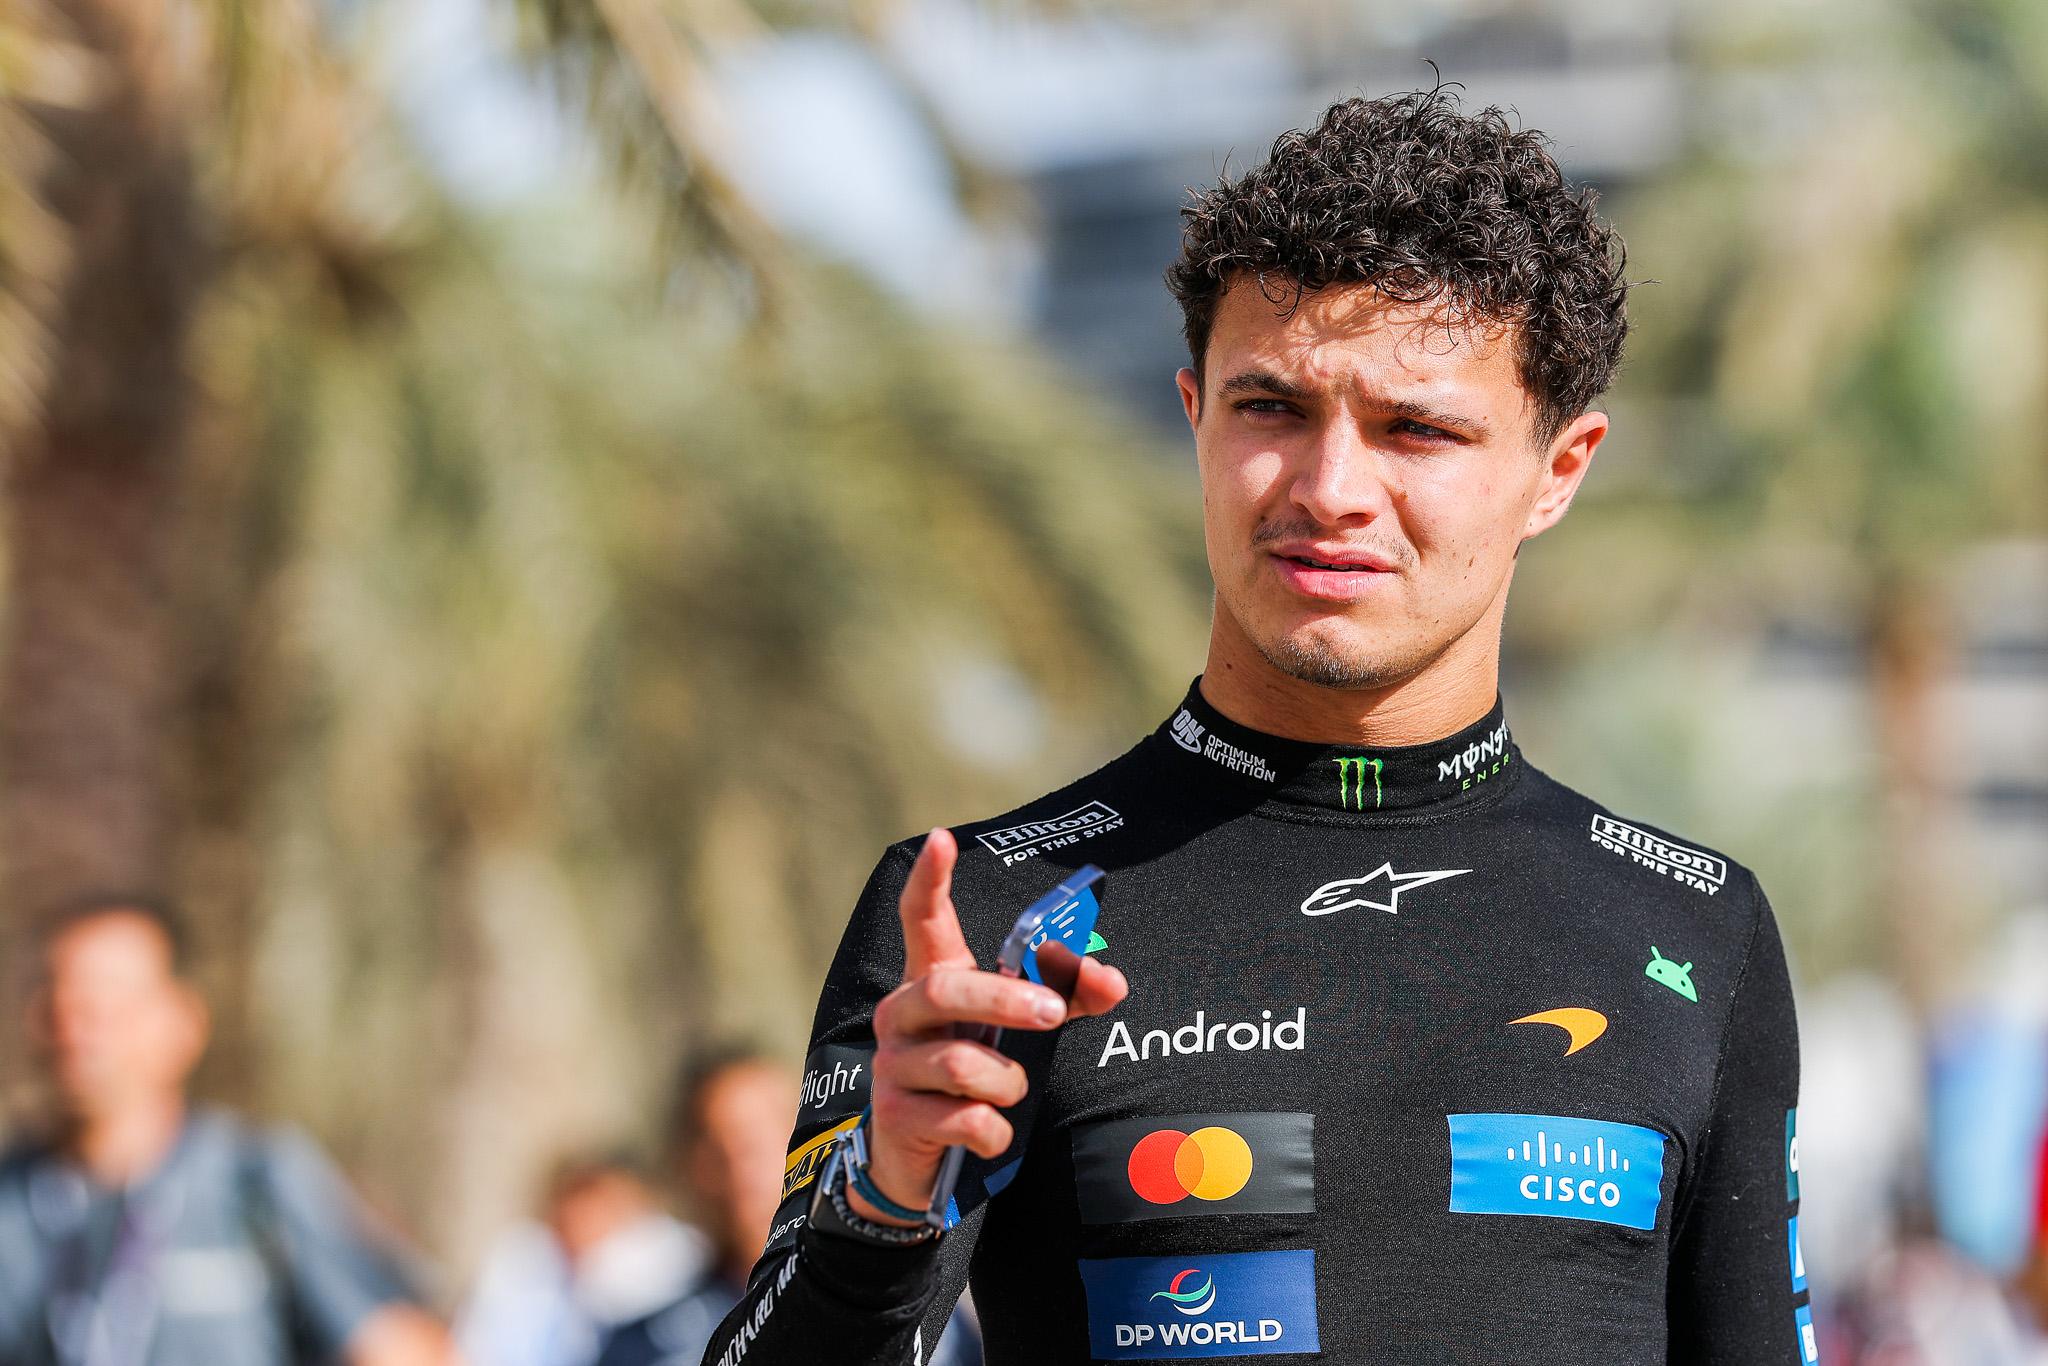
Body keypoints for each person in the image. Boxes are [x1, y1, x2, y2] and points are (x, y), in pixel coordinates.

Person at [701, 87, 1809, 1364]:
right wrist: (881, 1203)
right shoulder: (987, 916)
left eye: (1416, 428)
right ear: (1193, 415)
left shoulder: (1695, 926)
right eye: (1270, 407)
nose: (1329, 489)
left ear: (1557, 471)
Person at [0, 897, 458, 1366]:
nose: (77, 1029)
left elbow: (405, 1348)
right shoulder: (11, 1203)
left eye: (109, 1003)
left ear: (183, 1023)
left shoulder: (256, 1181)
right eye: (59, 1000)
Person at [595, 1051, 977, 1366]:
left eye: (758, 1138)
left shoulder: (919, 1300)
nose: (740, 1164)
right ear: (688, 1167)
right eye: (716, 1145)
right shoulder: (646, 1344)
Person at [457, 1154, 707, 1366]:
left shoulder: (671, 1258)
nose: (584, 1223)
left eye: (599, 1211)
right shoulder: (526, 1263)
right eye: (576, 1212)